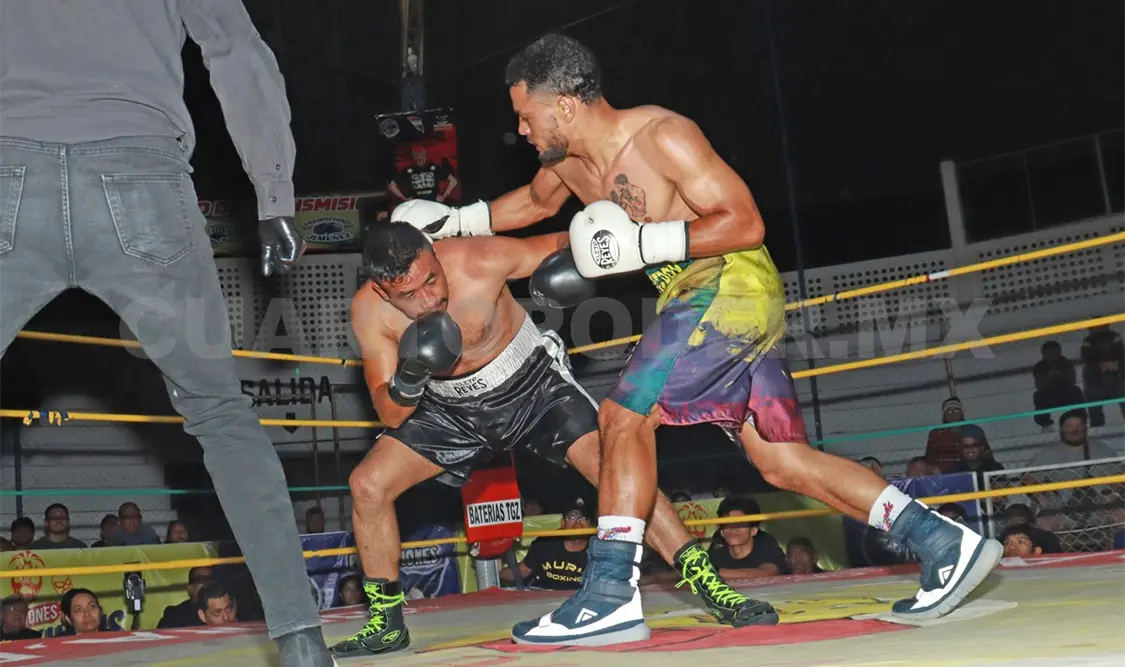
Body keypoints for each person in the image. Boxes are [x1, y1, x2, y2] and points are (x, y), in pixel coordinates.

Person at [392, 33, 1003, 646]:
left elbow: (745, 221)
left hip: (728, 284)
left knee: (623, 417)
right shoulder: (568, 164)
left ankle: (609, 594)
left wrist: (642, 245)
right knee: (779, 461)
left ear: (566, 104)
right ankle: (943, 541)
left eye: (527, 115)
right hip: (700, 300)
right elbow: (529, 204)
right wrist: (452, 221)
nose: (521, 129)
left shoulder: (662, 136)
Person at [0, 3, 331, 663]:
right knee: (221, 413)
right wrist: (273, 193)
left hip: (9, 173)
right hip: (140, 177)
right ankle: (299, 640)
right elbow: (234, 47)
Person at [330, 222, 773, 658]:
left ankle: (715, 589)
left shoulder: (479, 259)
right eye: (410, 295)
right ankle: (385, 623)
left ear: (434, 254)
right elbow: (388, 411)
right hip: (447, 408)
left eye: (431, 278)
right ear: (384, 292)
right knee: (367, 485)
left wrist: (568, 269)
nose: (430, 297)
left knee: (615, 469)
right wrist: (410, 377)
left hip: (533, 385)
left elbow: (567, 241)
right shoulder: (369, 311)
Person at [501, 503, 591, 590]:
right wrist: (496, 572)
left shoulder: (597, 548)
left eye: (583, 518)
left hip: (580, 597)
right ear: (563, 523)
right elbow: (523, 571)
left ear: (590, 524)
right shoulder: (546, 542)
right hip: (542, 595)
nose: (578, 521)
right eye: (572, 517)